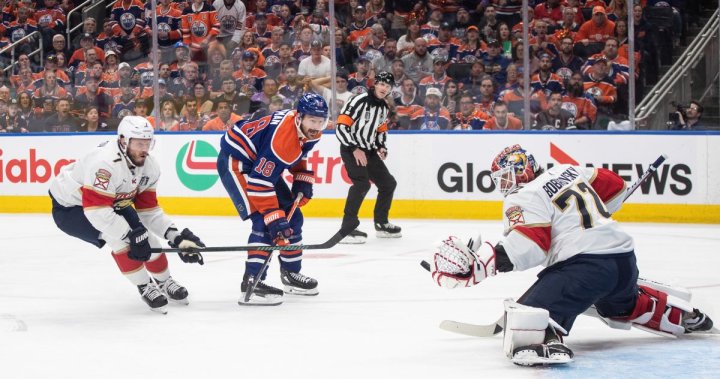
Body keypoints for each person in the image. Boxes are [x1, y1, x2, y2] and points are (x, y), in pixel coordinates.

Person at [428, 144, 715, 366]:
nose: (502, 185)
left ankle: (545, 340)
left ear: (522, 171)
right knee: (618, 306)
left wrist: (482, 265)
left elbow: (530, 246)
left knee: (525, 320)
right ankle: (676, 314)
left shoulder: (524, 195)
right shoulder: (566, 170)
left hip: (586, 269)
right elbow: (614, 185)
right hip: (624, 261)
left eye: (505, 177)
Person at [48, 116, 205, 314]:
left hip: (111, 202)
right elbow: (97, 212)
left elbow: (149, 210)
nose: (144, 149)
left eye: (148, 143)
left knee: (148, 239)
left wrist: (176, 236)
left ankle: (165, 282)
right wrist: (129, 235)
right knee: (119, 241)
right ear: (123, 141)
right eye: (139, 143)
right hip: (72, 208)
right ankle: (144, 286)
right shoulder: (104, 164)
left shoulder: (150, 166)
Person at [216, 93, 329, 306]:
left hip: (259, 162)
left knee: (293, 218)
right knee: (264, 222)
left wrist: (301, 177)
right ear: (300, 117)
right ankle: (253, 281)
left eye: (321, 120)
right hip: (237, 164)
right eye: (312, 120)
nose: (317, 125)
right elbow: (259, 183)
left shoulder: (309, 131)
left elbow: (300, 151)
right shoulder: (282, 140)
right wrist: (274, 218)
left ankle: (291, 274)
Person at [336, 71, 400, 244]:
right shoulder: (358, 100)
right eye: (381, 84)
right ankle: (347, 227)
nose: (384, 88)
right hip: (351, 148)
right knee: (362, 184)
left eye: (387, 86)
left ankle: (381, 223)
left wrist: (381, 146)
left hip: (369, 151)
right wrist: (354, 148)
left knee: (388, 184)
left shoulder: (384, 107)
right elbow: (341, 126)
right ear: (375, 84)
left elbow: (380, 130)